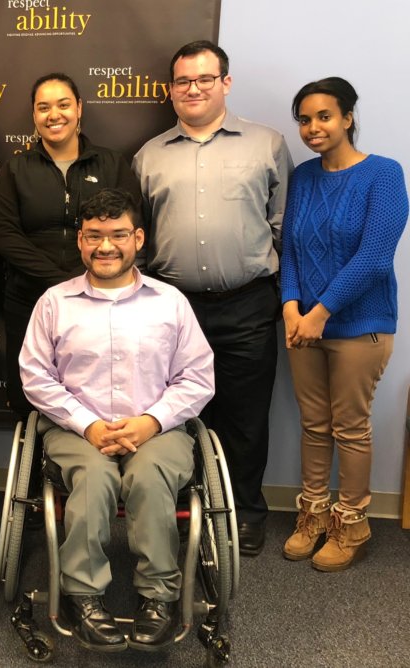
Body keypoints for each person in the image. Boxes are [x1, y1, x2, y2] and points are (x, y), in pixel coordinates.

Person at [19, 188, 214, 652]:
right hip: (75, 428)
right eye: (94, 236)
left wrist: (151, 422)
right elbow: (35, 376)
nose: (106, 246)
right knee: (93, 476)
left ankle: (159, 598)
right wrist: (87, 424)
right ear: (80, 242)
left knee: (149, 475)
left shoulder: (170, 302)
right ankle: (83, 596)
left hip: (157, 428)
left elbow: (197, 378)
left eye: (118, 234)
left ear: (138, 238)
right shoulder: (54, 302)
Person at [132, 40, 293, 556]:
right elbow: (141, 237)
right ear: (170, 90)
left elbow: (284, 227)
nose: (193, 88)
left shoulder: (266, 144)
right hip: (172, 307)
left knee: (245, 414)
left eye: (205, 78)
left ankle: (244, 513)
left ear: (225, 82)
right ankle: (185, 509)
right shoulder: (148, 156)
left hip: (247, 302)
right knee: (175, 414)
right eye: (183, 81)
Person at [280, 77, 408, 571]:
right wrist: (291, 307)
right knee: (314, 426)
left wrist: (320, 313)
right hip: (303, 326)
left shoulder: (384, 174)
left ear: (348, 118)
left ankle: (351, 522)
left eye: (324, 116)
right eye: (305, 119)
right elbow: (289, 249)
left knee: (349, 428)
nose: (313, 128)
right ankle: (311, 515)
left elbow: (375, 258)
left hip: (359, 327)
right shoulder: (305, 177)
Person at [0, 72, 141, 419]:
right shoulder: (16, 169)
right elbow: (6, 236)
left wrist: (85, 282)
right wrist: (62, 282)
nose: (53, 114)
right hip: (30, 297)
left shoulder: (113, 164)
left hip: (101, 298)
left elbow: (129, 230)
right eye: (43, 107)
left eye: (63, 105)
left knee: (94, 393)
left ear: (79, 109)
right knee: (30, 394)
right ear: (34, 115)